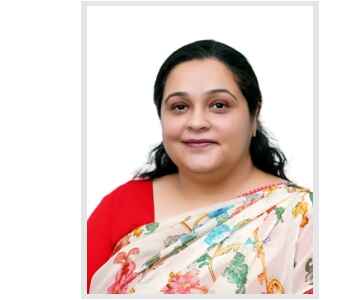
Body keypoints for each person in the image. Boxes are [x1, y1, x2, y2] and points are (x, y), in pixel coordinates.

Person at [87, 39, 313, 295]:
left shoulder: (301, 217)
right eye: (179, 107)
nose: (196, 122)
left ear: (254, 116)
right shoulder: (120, 207)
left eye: (219, 105)